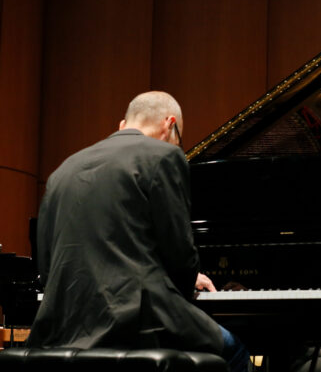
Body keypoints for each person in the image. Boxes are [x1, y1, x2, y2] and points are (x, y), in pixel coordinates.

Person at [27, 91, 251, 372]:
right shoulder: (164, 155)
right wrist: (189, 279)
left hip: (62, 328)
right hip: (137, 323)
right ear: (170, 125)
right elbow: (179, 257)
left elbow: (47, 269)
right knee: (236, 352)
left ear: (123, 125)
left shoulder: (63, 170)